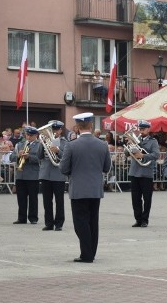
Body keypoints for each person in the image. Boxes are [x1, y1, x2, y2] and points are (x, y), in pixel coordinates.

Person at [59, 112, 112, 263]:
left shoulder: (71, 145)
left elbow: (63, 169)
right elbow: (107, 167)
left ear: (77, 127)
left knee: (80, 223)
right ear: (91, 125)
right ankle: (90, 253)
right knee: (93, 222)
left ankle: (86, 254)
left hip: (78, 190)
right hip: (95, 189)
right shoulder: (102, 145)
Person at [126, 120, 159, 228]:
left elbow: (156, 155)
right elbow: (127, 153)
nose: (141, 131)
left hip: (146, 173)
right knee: (135, 198)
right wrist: (129, 144)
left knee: (147, 198)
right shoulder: (135, 139)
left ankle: (145, 220)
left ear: (148, 129)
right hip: (134, 172)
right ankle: (138, 219)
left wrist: (143, 156)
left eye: (143, 129)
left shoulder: (153, 141)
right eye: (140, 129)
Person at [37, 120, 67, 231]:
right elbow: (39, 156)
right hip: (45, 174)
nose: (54, 132)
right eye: (52, 130)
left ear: (60, 130)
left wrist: (58, 151)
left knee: (59, 201)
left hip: (58, 175)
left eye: (56, 129)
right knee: (46, 201)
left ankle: (59, 223)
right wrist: (42, 144)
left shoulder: (64, 142)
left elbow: (66, 157)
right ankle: (48, 223)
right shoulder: (44, 140)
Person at [9, 125, 42, 224]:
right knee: (21, 198)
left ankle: (33, 218)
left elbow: (40, 159)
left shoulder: (39, 145)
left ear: (36, 135)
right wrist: (18, 155)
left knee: (33, 198)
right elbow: (11, 157)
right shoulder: (19, 144)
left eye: (31, 135)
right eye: (27, 135)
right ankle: (21, 218)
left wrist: (29, 157)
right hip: (20, 175)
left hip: (33, 175)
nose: (28, 137)